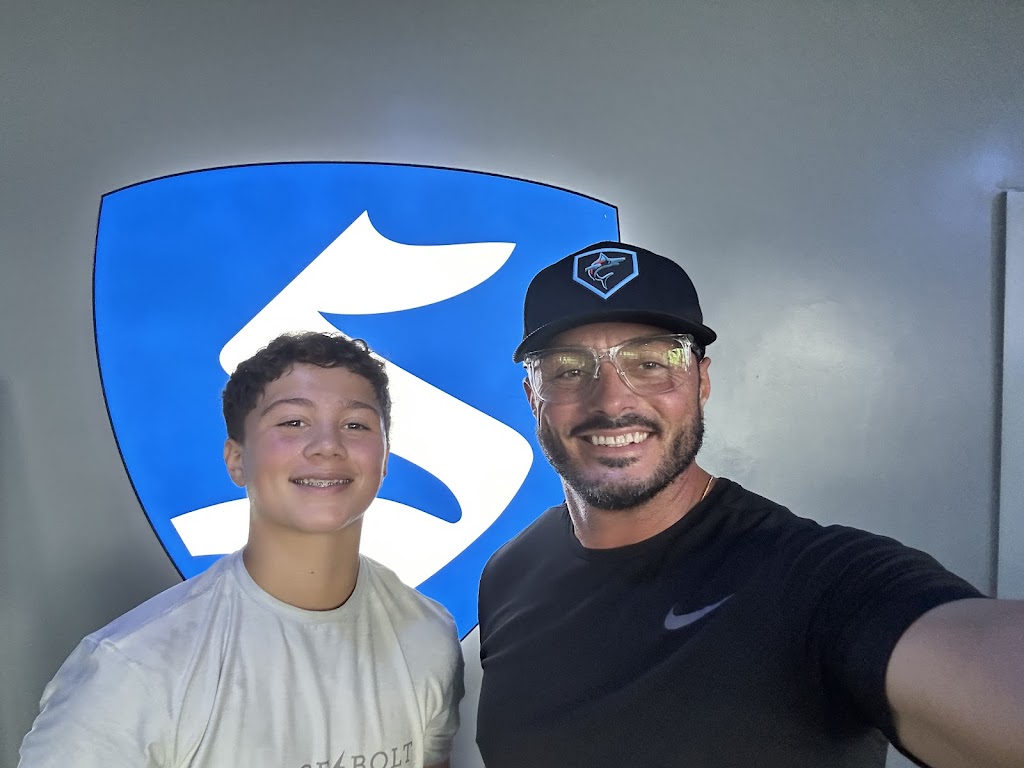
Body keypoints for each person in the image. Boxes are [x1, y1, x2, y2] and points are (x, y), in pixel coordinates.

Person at [475, 242, 1024, 768]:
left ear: (700, 381)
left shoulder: (817, 581)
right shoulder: (510, 572)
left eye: (651, 362)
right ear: (533, 398)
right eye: (568, 370)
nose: (613, 400)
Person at [20, 331, 464, 768]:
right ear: (236, 460)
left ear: (384, 460)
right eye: (293, 422)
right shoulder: (132, 670)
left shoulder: (427, 634)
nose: (328, 446)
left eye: (355, 425)